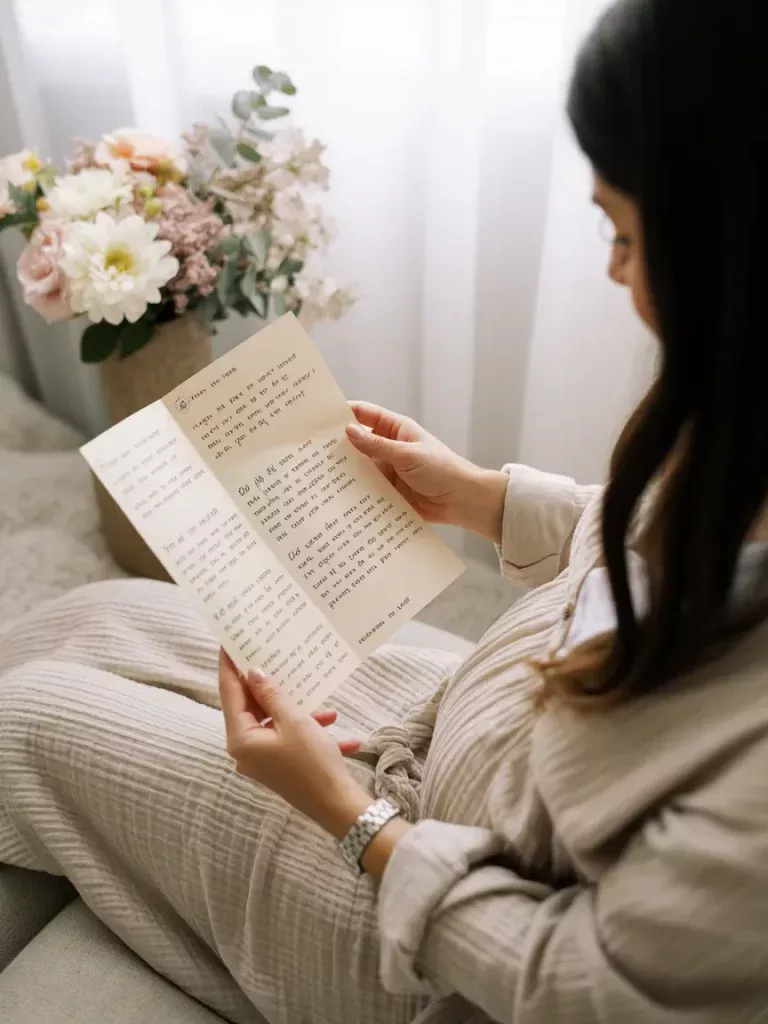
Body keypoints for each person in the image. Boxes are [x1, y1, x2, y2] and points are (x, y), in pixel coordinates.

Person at [2, 0, 768, 1020]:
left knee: (27, 718)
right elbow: (669, 550)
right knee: (97, 618)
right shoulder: (739, 402)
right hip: (474, 729)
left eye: (626, 232)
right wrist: (487, 499)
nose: (614, 266)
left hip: (432, 931)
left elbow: (575, 984)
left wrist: (344, 811)